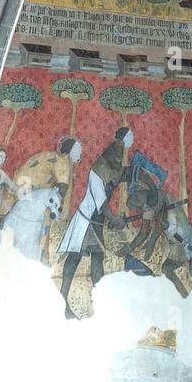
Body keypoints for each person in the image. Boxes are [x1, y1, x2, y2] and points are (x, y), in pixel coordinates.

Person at [58, 127, 132, 318]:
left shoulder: (109, 170)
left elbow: (119, 178)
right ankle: (61, 303)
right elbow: (101, 201)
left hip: (95, 222)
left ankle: (101, 303)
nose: (117, 159)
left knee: (96, 260)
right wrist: (113, 218)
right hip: (86, 221)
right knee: (74, 259)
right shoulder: (97, 171)